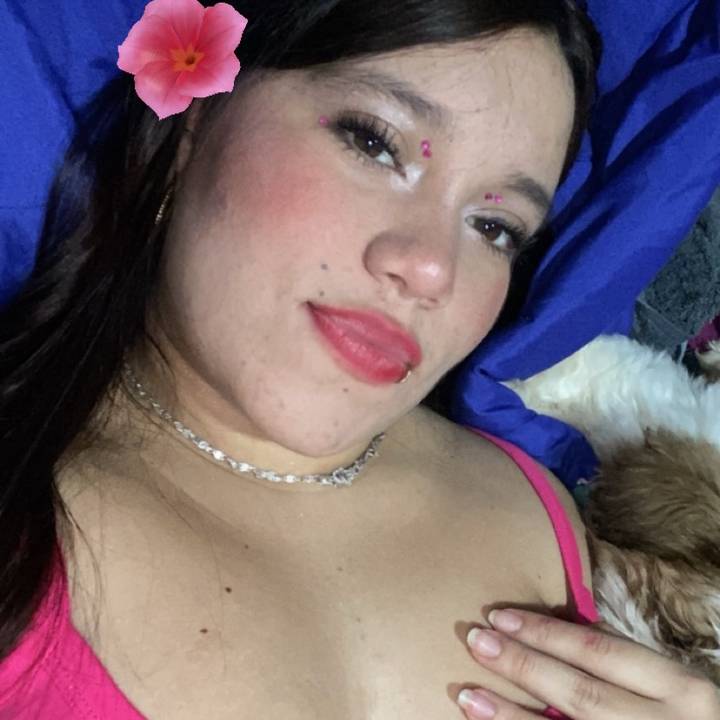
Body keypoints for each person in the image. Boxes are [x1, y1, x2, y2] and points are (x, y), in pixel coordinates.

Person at [0, 0, 717, 718]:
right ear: (195, 126)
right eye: (375, 143)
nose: (434, 269)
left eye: (495, 226)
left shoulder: (542, 519)